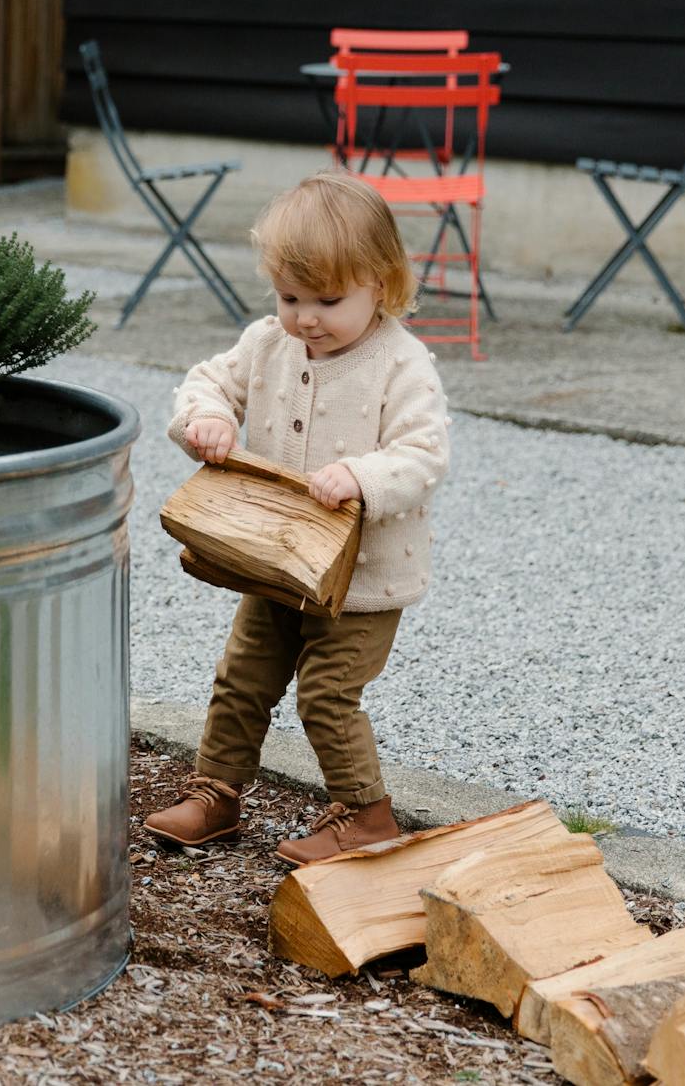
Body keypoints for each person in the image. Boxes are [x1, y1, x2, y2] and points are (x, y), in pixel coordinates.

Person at [145, 171, 452, 866]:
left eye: (327, 299)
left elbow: (424, 453)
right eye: (289, 297)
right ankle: (216, 791)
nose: (306, 316)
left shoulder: (400, 364)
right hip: (275, 559)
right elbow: (206, 382)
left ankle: (369, 814)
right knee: (243, 674)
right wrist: (211, 418)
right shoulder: (268, 344)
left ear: (381, 281)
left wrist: (362, 476)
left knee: (327, 693)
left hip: (361, 584)